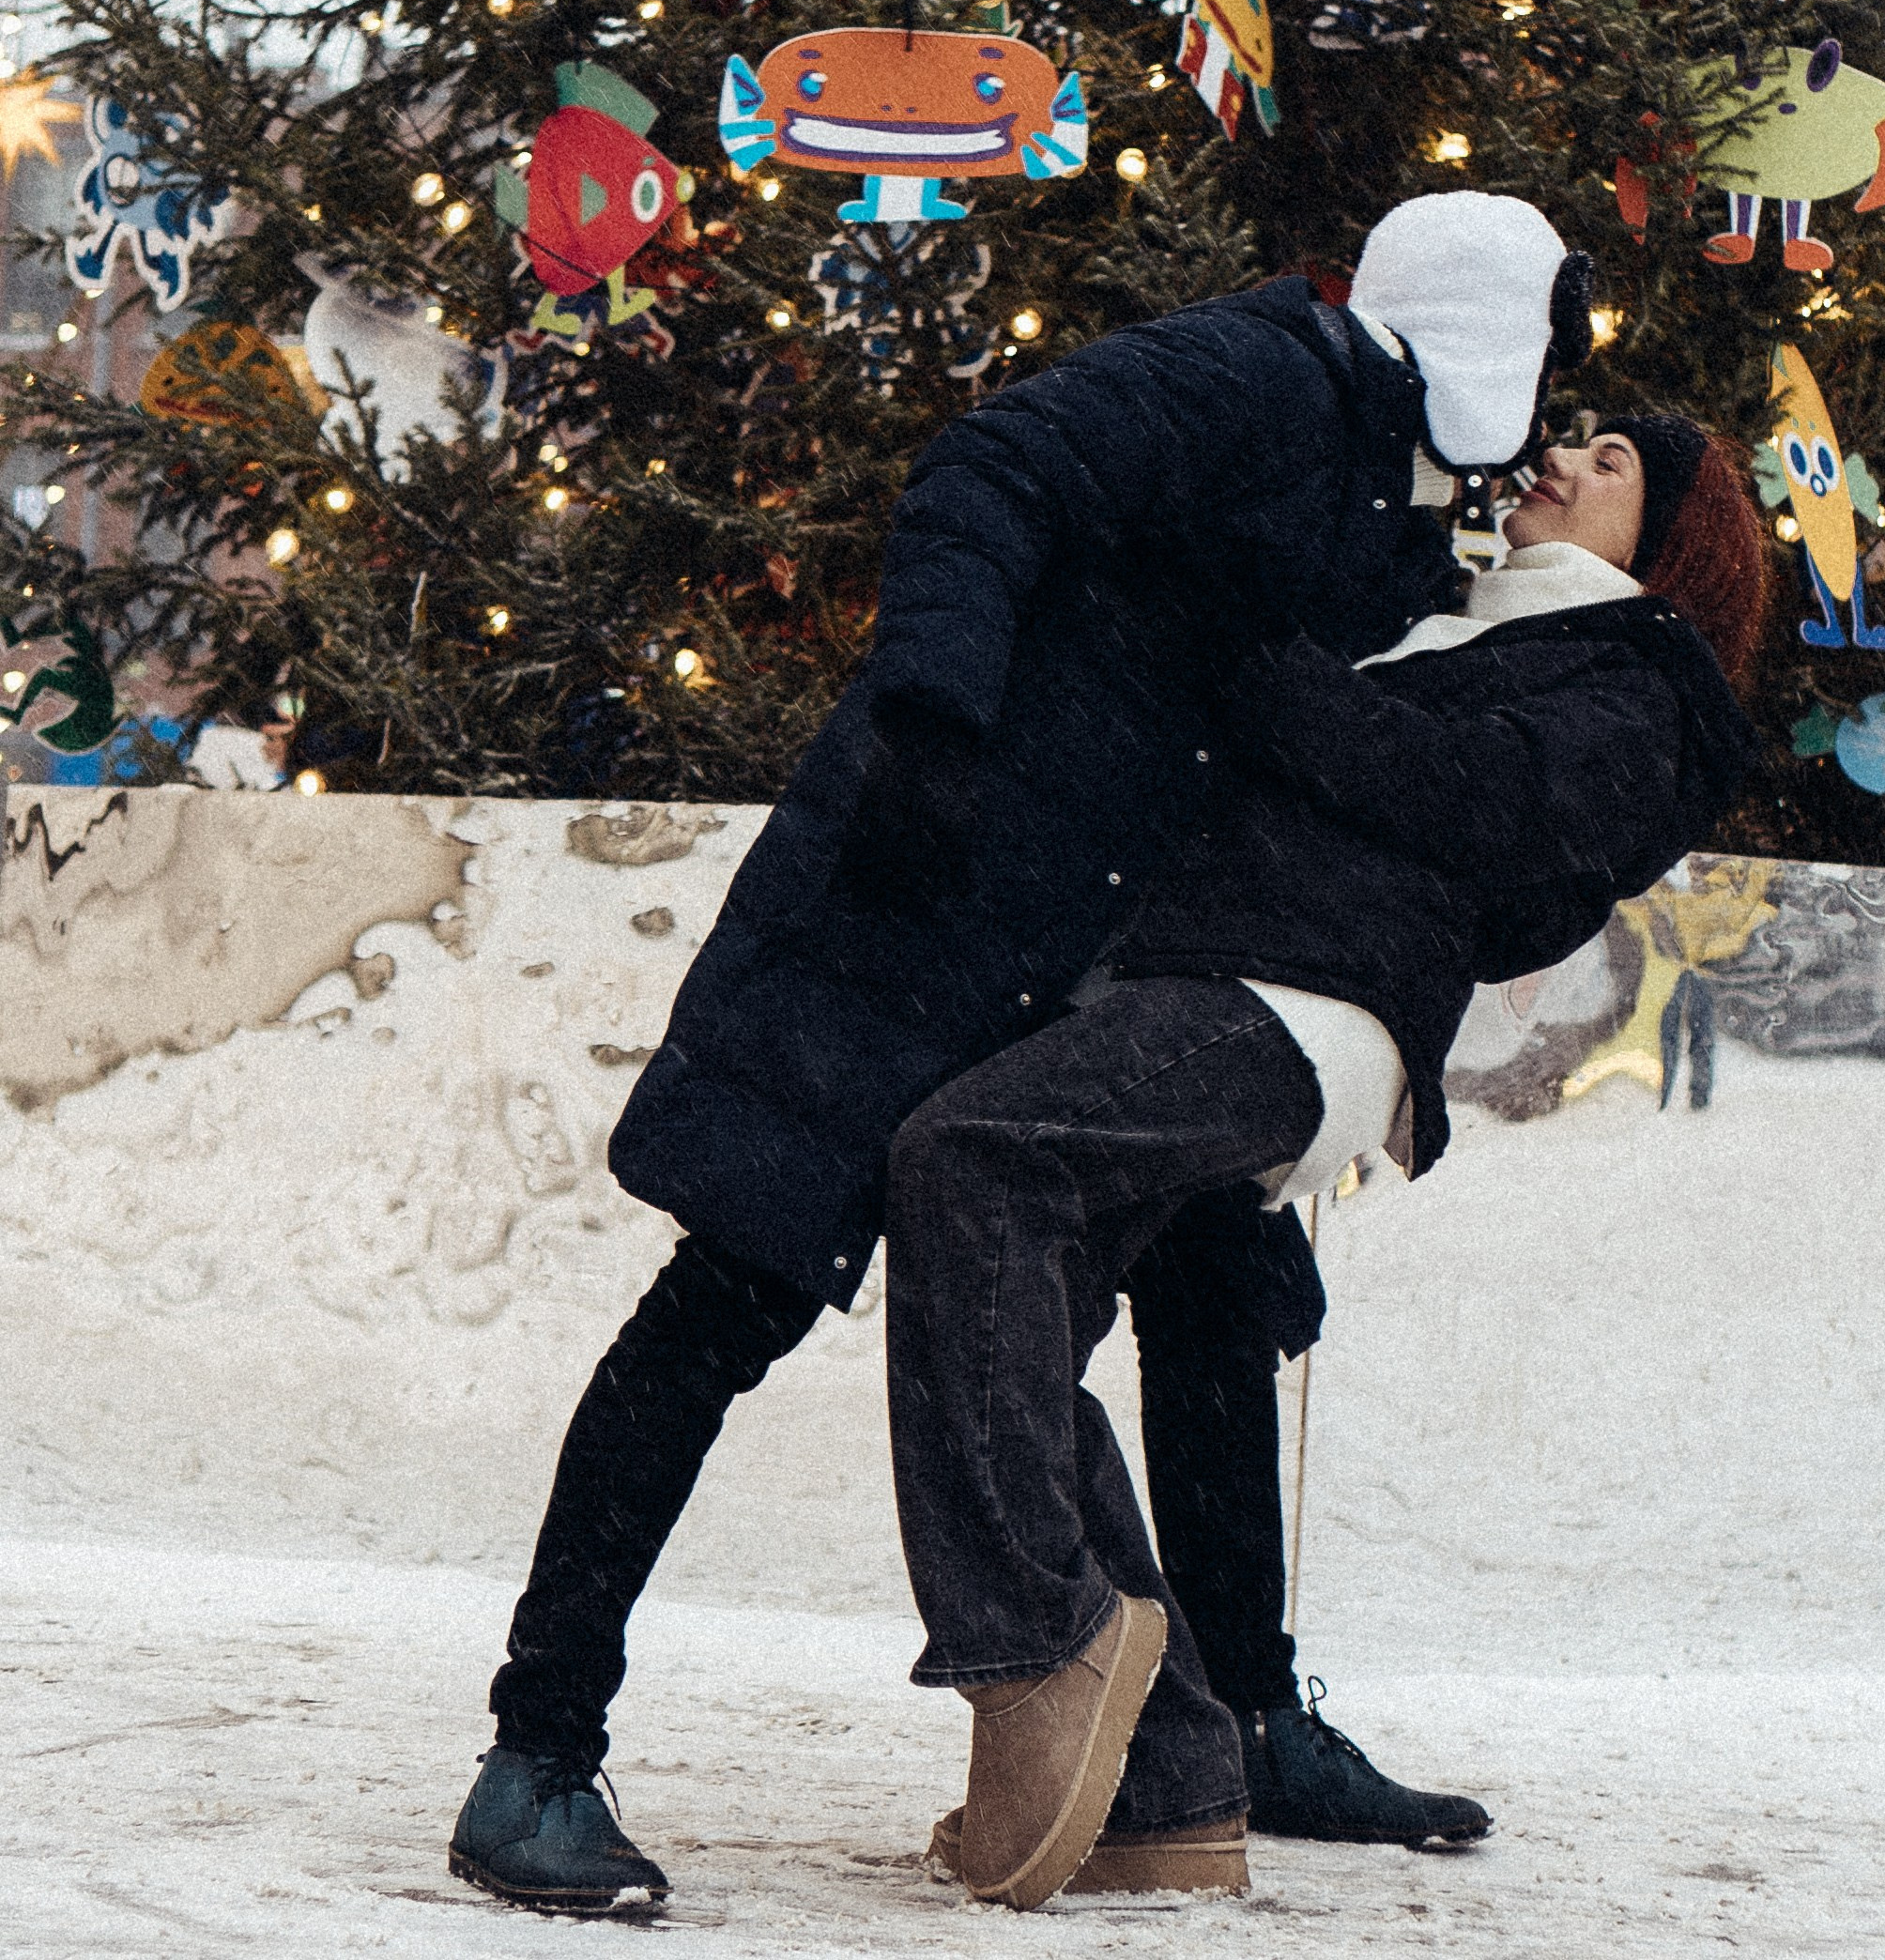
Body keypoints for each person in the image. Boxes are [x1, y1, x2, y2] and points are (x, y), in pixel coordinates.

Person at [447, 192, 1591, 1911]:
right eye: (1549, 350)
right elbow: (991, 470)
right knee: (727, 1305)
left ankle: (1248, 1723)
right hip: (916, 901)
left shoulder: (1383, 502)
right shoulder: (1256, 378)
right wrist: (932, 721)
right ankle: (535, 1755)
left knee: (1223, 1293)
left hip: (1099, 955)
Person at [885, 415, 1766, 1908]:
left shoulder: (1647, 687)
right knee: (1006, 1313)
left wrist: (1258, 671)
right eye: (1567, 436)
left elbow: (1474, 814)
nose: (1556, 455)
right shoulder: (1431, 611)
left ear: (1671, 537)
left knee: (967, 1161)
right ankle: (1168, 1778)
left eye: (1610, 460)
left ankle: (1042, 1645)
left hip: (1299, 1010)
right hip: (1191, 977)